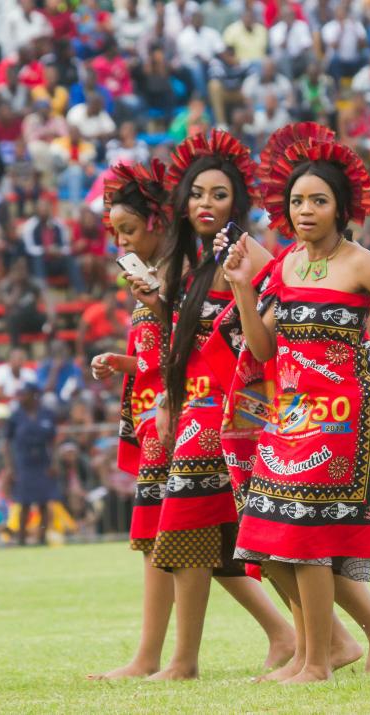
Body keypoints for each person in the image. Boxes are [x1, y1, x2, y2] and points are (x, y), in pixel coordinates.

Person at [224, 124, 370, 684]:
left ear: (340, 208)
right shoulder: (284, 266)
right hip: (291, 416)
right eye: (298, 201)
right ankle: (319, 654)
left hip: (341, 419)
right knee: (265, 534)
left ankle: (315, 664)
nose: (306, 210)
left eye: (318, 201)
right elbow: (261, 348)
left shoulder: (364, 264)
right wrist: (240, 288)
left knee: (305, 535)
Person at [137, 130, 293, 680]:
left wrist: (248, 418)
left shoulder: (249, 253)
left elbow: (266, 343)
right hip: (199, 409)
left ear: (238, 202)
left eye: (219, 194)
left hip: (235, 413)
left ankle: (182, 662)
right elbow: (193, 347)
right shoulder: (189, 261)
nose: (207, 203)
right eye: (198, 193)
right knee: (227, 536)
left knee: (196, 529)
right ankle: (304, 636)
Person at [88, 160, 176, 680]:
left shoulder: (169, 276)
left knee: (166, 538)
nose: (121, 241)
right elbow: (156, 354)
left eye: (129, 229)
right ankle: (287, 635)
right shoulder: (147, 275)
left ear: (157, 222)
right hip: (154, 415)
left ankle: (150, 657)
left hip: (176, 415)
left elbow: (187, 351)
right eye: (116, 232)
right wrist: (121, 363)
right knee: (187, 542)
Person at [3, 383, 59, 546]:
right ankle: (21, 539)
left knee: (44, 501)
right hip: (23, 462)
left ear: (33, 395)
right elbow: (6, 443)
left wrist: (54, 462)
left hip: (43, 461)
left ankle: (42, 537)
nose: (21, 397)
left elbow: (53, 441)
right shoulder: (15, 416)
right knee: (24, 502)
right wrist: (10, 467)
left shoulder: (47, 414)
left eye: (24, 394)